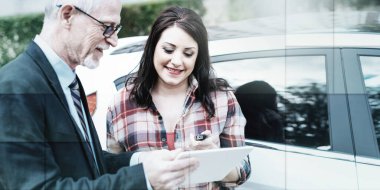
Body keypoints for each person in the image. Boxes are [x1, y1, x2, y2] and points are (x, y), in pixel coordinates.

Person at [0, 1, 198, 189]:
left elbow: (89, 163)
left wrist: (143, 161)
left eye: (115, 29)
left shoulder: (68, 80)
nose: (113, 40)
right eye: (107, 26)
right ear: (67, 15)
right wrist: (143, 179)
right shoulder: (15, 88)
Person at [106, 6, 251, 189]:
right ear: (153, 48)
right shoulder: (121, 104)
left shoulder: (222, 99)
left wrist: (213, 156)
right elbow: (111, 172)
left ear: (198, 56)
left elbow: (243, 170)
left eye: (188, 53)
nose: (176, 61)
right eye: (168, 50)